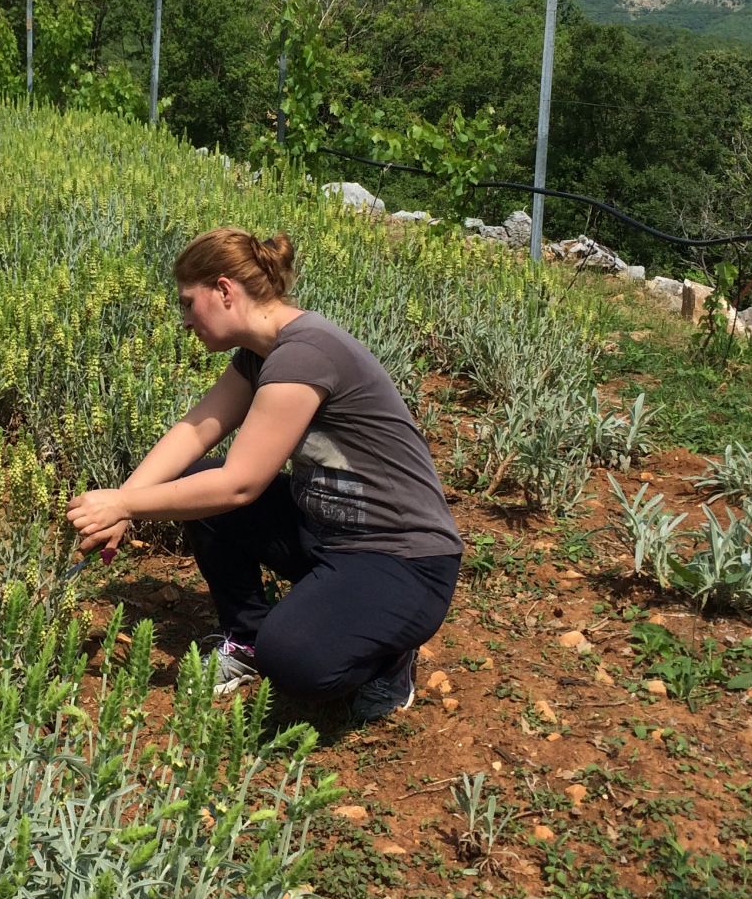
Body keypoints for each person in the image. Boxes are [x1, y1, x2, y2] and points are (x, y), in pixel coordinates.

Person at [65, 227, 463, 721]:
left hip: (402, 558)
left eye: (189, 303)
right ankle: (248, 638)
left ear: (225, 291)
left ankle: (387, 657)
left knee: (296, 663)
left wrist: (125, 506)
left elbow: (240, 484)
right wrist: (127, 499)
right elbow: (195, 430)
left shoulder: (304, 353)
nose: (185, 320)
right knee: (196, 479)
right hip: (326, 533)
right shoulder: (260, 354)